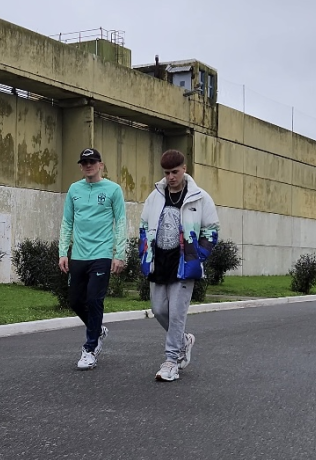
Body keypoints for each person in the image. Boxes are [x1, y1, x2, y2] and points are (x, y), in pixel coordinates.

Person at [139, 149, 219, 382]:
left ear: (184, 169)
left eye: (175, 171)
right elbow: (144, 226)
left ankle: (171, 361)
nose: (171, 177)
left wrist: (198, 255)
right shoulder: (155, 196)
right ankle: (184, 341)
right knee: (159, 310)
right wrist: (145, 253)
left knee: (176, 314)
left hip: (184, 265)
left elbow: (212, 230)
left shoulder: (200, 197)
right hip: (159, 262)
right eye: (167, 172)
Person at [59, 147, 127, 370]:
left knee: (94, 300)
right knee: (76, 301)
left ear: (101, 165)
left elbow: (121, 223)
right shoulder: (74, 190)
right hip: (78, 255)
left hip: (102, 254)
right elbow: (67, 222)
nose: (88, 165)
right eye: (84, 162)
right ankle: (97, 329)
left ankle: (89, 349)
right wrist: (63, 252)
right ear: (81, 166)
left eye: (93, 162)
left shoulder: (113, 190)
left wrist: (119, 254)